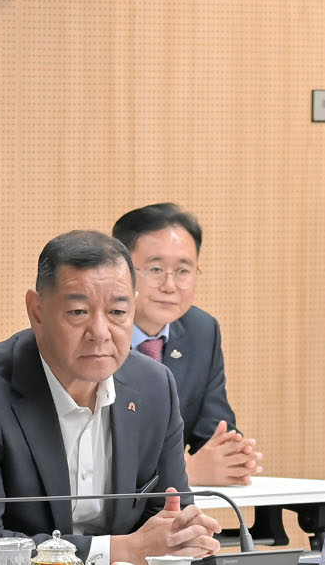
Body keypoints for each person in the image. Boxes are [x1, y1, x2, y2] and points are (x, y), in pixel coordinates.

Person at [0, 230, 222, 565]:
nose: (100, 332)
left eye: (117, 312)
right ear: (37, 311)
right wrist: (119, 551)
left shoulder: (154, 387)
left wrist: (182, 537)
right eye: (79, 312)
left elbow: (168, 515)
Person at [110, 203, 259, 485]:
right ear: (120, 270)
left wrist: (232, 455)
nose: (170, 285)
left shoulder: (201, 331)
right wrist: (184, 471)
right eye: (156, 269)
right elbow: (94, 452)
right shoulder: (94, 334)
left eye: (183, 271)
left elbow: (213, 429)